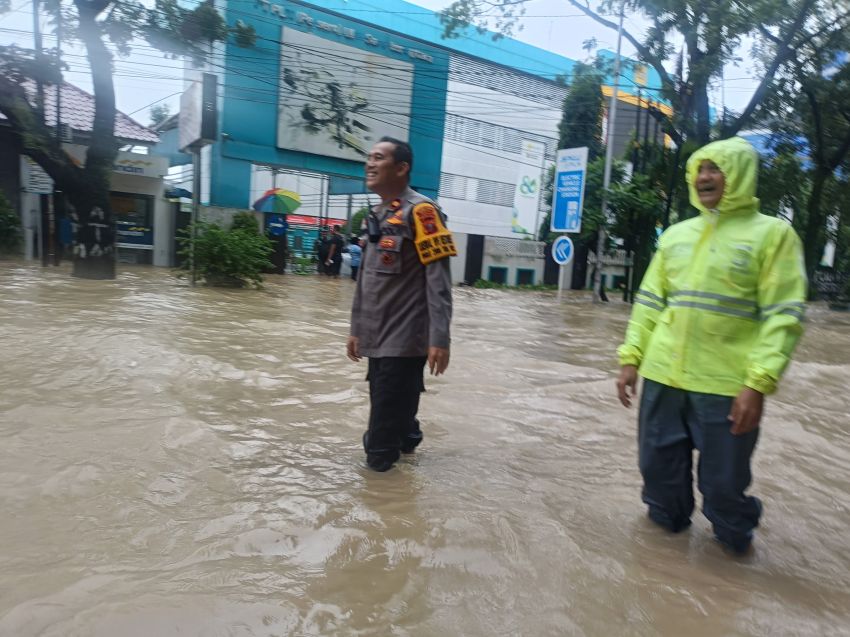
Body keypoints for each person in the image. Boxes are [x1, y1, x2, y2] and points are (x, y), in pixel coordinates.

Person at [615, 137, 807, 555]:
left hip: (726, 386)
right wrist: (631, 358)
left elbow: (784, 314)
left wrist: (758, 383)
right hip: (664, 378)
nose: (704, 177)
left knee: (723, 491)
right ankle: (662, 574)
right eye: (699, 169)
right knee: (659, 484)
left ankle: (736, 552)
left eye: (714, 169)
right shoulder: (676, 236)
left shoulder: (773, 235)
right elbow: (650, 301)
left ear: (737, 175)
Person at [347, 136, 457, 472]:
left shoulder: (423, 213)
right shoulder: (376, 215)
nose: (370, 163)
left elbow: (438, 282)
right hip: (377, 339)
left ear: (402, 167)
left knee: (377, 448)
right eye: (369, 157)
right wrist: (356, 330)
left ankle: (383, 496)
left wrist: (440, 338)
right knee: (396, 409)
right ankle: (408, 436)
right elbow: (366, 281)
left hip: (405, 341)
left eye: (378, 158)